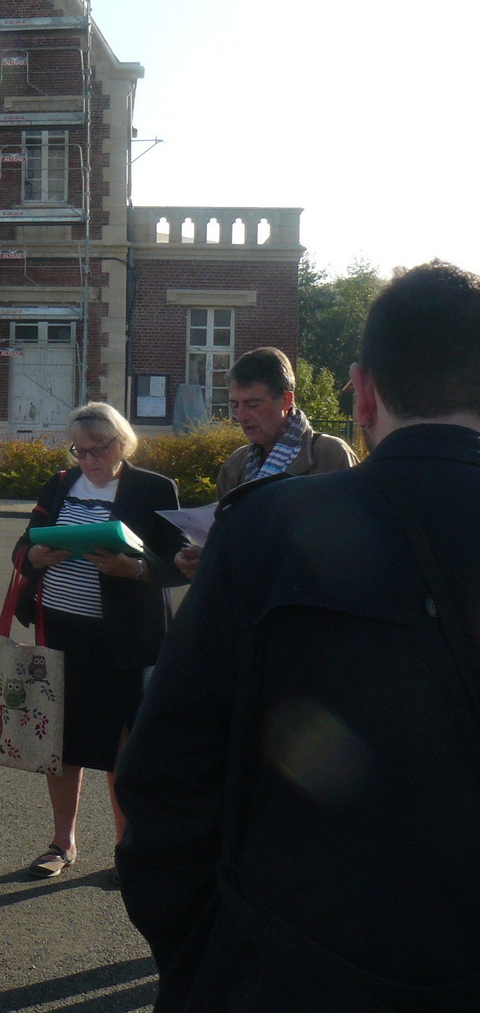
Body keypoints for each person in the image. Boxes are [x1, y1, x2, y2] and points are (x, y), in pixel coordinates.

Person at [115, 262, 480, 1010]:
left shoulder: (271, 527)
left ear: (365, 390)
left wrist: (207, 950)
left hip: (290, 963)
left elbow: (167, 772)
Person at [12, 402, 186, 880]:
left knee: (122, 745)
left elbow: (176, 563)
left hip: (124, 637)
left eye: (99, 448)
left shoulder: (153, 488)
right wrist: (37, 557)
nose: (88, 459)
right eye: (80, 450)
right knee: (62, 741)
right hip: (61, 630)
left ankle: (124, 846)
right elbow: (21, 549)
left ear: (121, 442)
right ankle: (61, 842)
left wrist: (133, 568)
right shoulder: (61, 484)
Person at [176, 346, 357, 577]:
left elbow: (352, 549)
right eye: (235, 405)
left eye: (252, 404)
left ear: (286, 400)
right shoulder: (235, 466)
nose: (241, 416)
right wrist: (205, 560)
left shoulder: (331, 456)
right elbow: (224, 546)